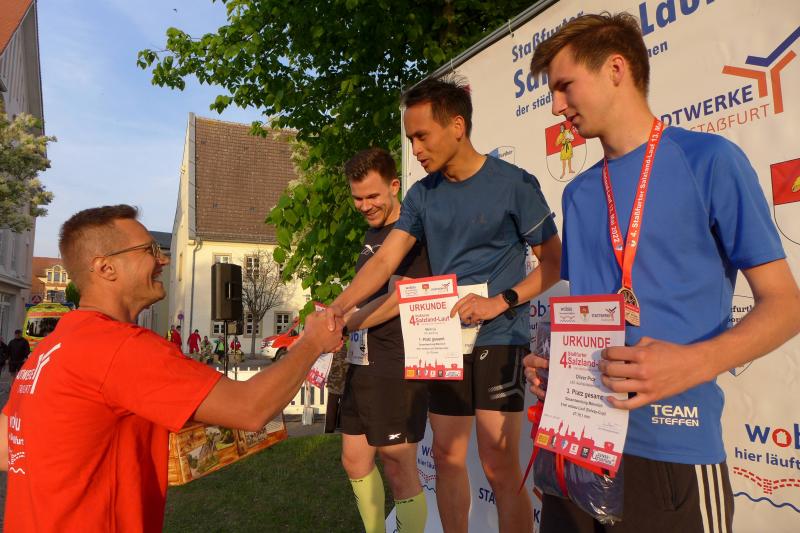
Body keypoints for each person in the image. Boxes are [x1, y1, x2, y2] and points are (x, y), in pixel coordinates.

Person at [524, 13, 800, 532]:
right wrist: (556, 365)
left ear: (615, 69)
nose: (557, 106)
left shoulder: (710, 161)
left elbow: (786, 305)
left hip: (673, 451)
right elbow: (593, 314)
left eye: (564, 86)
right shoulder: (578, 193)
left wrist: (693, 363)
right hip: (577, 441)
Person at [0, 205, 344, 532]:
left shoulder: (52, 347)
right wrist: (312, 342)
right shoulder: (121, 346)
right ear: (106, 268)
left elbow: (8, 450)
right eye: (149, 250)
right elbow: (250, 408)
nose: (163, 259)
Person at [326, 78, 562, 532]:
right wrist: (338, 309)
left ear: (457, 126)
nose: (415, 148)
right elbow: (386, 260)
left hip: (499, 335)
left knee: (498, 462)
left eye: (422, 136)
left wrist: (500, 301)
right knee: (447, 456)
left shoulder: (514, 183)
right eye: (410, 137)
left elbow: (553, 262)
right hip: (441, 339)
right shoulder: (421, 194)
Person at [338, 147, 432, 533]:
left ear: (395, 186)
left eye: (373, 196)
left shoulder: (412, 232)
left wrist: (344, 321)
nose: (365, 205)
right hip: (362, 362)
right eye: (358, 198)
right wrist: (341, 314)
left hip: (398, 363)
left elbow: (401, 298)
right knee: (353, 460)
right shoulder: (371, 234)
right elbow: (365, 294)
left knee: (398, 466)